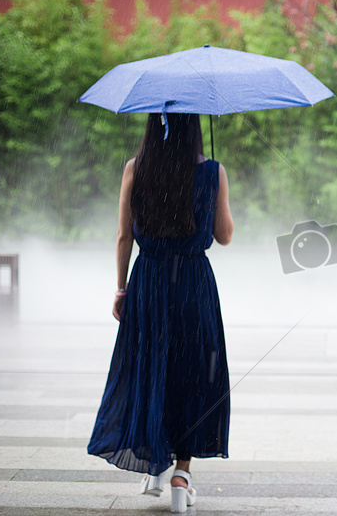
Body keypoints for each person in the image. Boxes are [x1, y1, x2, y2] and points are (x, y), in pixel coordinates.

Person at [88, 112, 234, 513]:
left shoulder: (136, 168)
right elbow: (223, 236)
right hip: (192, 283)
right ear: (196, 127)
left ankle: (154, 459)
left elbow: (123, 235)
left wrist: (121, 289)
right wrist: (217, 191)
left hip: (149, 281)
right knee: (191, 373)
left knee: (152, 367)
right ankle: (181, 477)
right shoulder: (213, 172)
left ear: (156, 123)